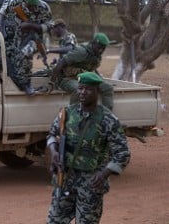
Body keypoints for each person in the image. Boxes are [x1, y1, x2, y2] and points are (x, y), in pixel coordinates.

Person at [46, 71, 130, 224]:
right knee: (54, 221)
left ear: (98, 91)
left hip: (91, 182)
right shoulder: (67, 114)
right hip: (65, 178)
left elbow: (122, 153)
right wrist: (54, 152)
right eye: (80, 88)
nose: (83, 93)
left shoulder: (108, 119)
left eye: (88, 89)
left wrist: (104, 174)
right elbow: (51, 135)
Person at [0, 0, 53, 95]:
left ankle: (26, 84)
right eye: (30, 5)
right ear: (24, 1)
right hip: (17, 36)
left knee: (25, 54)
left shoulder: (44, 7)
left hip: (36, 38)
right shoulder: (16, 3)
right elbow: (2, 13)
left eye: (34, 5)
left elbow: (50, 25)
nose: (32, 8)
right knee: (8, 56)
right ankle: (16, 80)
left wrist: (31, 25)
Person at [51, 33, 114, 110]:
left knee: (107, 88)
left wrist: (101, 81)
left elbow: (92, 69)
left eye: (103, 49)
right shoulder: (81, 51)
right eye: (99, 48)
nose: (101, 51)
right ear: (93, 43)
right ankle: (74, 115)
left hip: (85, 78)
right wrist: (52, 83)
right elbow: (60, 64)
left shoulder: (96, 55)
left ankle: (106, 115)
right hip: (68, 79)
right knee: (79, 90)